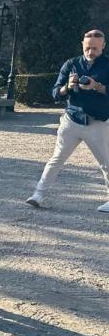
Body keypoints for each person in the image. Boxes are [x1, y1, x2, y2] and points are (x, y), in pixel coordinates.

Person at [25, 29, 109, 212]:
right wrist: (68, 87)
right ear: (82, 45)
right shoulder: (71, 64)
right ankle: (38, 194)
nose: (90, 51)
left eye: (95, 48)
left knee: (106, 162)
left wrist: (97, 87)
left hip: (98, 122)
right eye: (87, 47)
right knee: (56, 159)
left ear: (103, 46)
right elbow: (56, 93)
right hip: (72, 120)